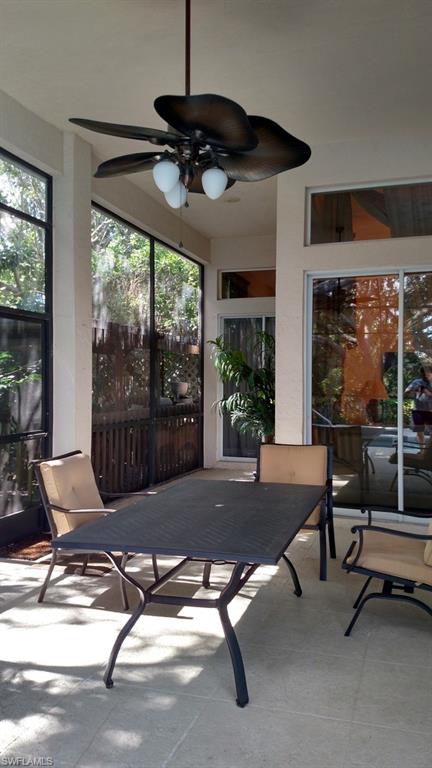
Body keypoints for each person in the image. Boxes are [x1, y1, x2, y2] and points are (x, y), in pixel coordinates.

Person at [404, 364, 432, 449]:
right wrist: (415, 390)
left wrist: (428, 392)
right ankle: (422, 450)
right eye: (424, 373)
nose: (426, 375)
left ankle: (429, 451)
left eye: (428, 373)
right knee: (419, 432)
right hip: (418, 410)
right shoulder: (417, 382)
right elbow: (406, 391)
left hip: (430, 410)